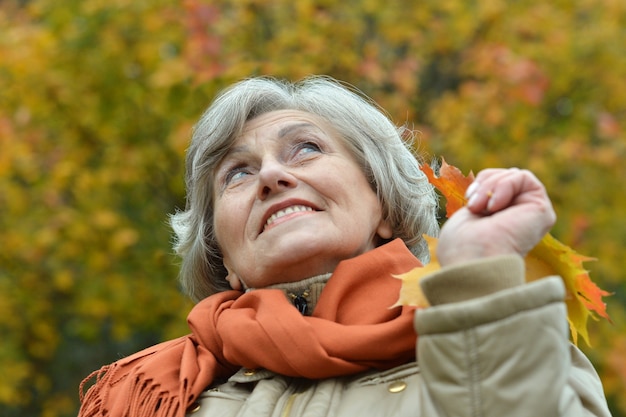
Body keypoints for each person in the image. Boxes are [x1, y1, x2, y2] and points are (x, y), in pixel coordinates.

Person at [77, 76, 611, 417]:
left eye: (305, 148)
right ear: (224, 258)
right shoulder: (157, 398)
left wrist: (478, 280)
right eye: (236, 173)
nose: (270, 175)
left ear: (382, 204)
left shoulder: (489, 342)